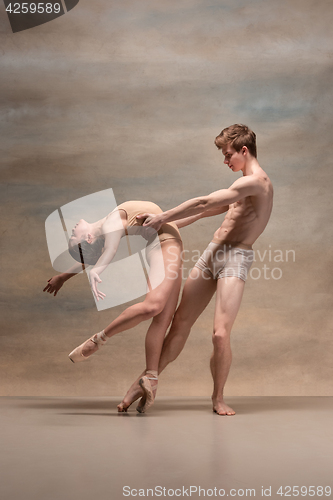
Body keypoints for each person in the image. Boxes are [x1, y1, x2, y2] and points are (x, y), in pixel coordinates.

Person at [120, 124, 273, 415]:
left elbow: (203, 200)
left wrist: (162, 215)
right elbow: (205, 211)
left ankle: (218, 398)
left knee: (219, 334)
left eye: (228, 155)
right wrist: (161, 224)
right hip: (212, 254)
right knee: (179, 323)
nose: (225, 161)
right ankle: (146, 380)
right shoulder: (241, 185)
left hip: (236, 258)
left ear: (244, 150)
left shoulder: (257, 182)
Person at [44, 200, 186, 413]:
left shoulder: (105, 228)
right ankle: (98, 340)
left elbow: (95, 253)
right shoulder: (110, 225)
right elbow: (107, 250)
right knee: (154, 306)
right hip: (165, 246)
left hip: (170, 245)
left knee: (163, 319)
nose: (72, 232)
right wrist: (96, 271)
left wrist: (64, 276)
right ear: (88, 238)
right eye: (73, 239)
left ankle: (151, 378)